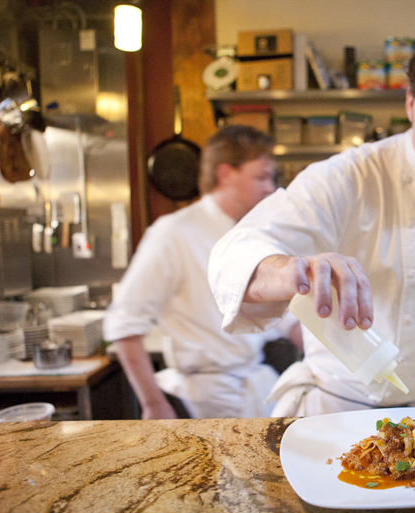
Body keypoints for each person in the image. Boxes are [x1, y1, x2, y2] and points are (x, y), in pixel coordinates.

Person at [208, 27, 415, 416]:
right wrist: (292, 269)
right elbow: (233, 254)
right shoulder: (351, 175)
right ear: (409, 103)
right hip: (335, 411)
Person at [104, 125, 300, 420]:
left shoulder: (254, 236)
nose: (270, 188)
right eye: (261, 176)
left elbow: (287, 319)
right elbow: (124, 326)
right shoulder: (172, 234)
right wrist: (153, 404)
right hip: (204, 403)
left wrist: (335, 361)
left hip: (256, 390)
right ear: (225, 174)